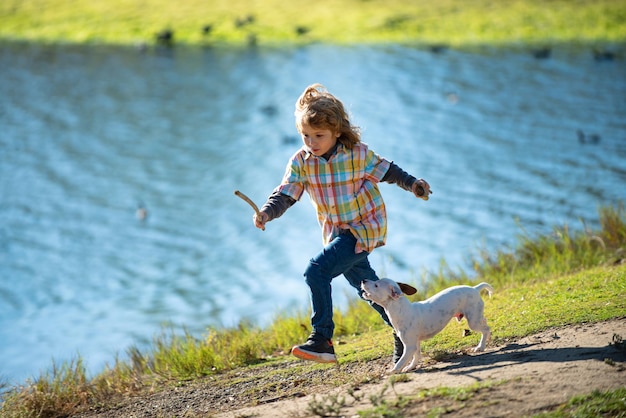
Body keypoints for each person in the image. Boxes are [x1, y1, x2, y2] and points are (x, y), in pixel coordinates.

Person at [253, 84, 432, 364]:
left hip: (364, 227)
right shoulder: (301, 161)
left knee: (316, 271)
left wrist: (413, 184)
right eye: (305, 136)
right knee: (369, 290)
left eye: (319, 135)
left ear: (337, 131)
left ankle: (322, 338)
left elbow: (388, 171)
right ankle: (405, 334)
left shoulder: (357, 154)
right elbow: (286, 194)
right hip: (336, 234)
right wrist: (266, 213)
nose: (311, 142)